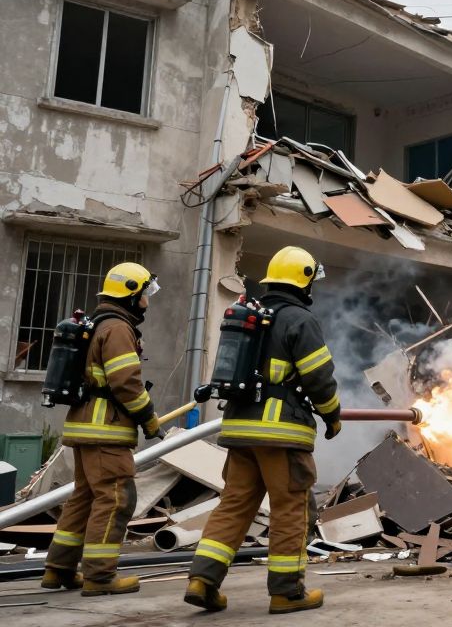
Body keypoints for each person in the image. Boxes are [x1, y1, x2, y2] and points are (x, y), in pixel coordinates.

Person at [185, 246, 341, 614]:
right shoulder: (300, 320)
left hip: (240, 430)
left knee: (234, 505)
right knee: (291, 509)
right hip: (281, 435)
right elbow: (319, 378)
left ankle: (202, 580)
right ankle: (287, 592)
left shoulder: (252, 315)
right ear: (303, 281)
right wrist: (332, 416)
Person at [41, 262, 164, 596]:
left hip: (85, 427)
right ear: (131, 294)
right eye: (146, 293)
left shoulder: (98, 323)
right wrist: (149, 419)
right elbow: (126, 383)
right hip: (105, 431)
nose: (147, 301)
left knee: (84, 498)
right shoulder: (118, 328)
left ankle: (59, 568)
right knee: (115, 499)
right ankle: (99, 576)